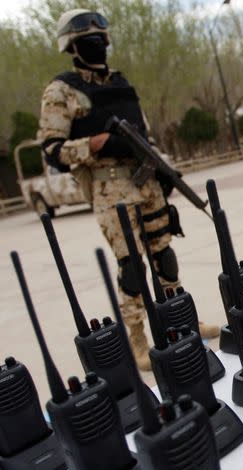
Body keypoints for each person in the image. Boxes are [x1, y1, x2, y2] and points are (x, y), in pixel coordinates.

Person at [38, 9, 219, 371]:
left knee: (165, 259)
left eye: (100, 39)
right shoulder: (61, 92)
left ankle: (183, 322)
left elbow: (144, 135)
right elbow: (51, 150)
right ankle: (138, 340)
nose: (98, 45)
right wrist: (94, 144)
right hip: (110, 191)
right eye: (89, 41)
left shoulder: (122, 84)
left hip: (147, 182)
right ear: (72, 47)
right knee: (132, 267)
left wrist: (164, 168)